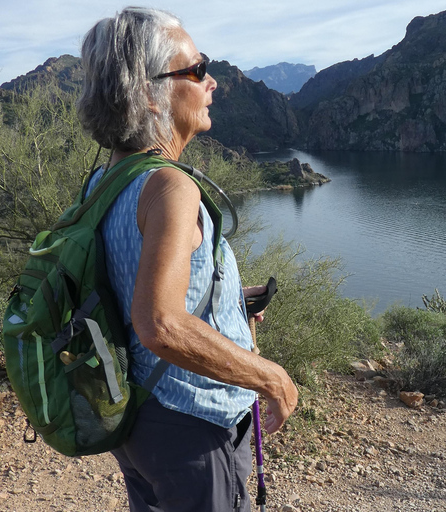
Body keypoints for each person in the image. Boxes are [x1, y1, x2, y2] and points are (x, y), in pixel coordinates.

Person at [75, 7, 298, 511]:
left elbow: (129, 281)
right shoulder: (170, 186)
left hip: (139, 419)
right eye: (197, 70)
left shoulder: (104, 180)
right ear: (150, 95)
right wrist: (274, 380)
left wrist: (223, 300)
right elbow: (160, 324)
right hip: (193, 421)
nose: (211, 81)